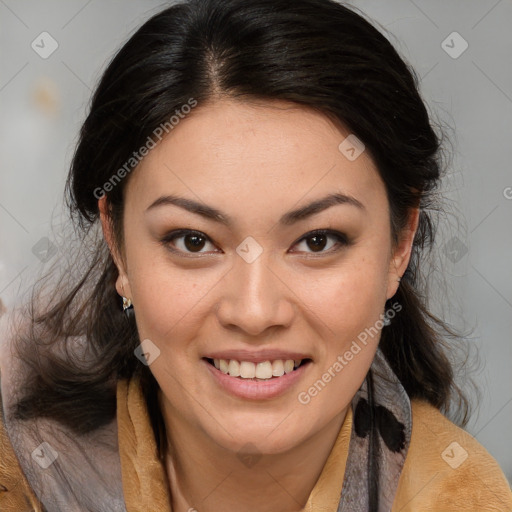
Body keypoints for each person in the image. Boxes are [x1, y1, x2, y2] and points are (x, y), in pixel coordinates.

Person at [0, 0, 511, 510]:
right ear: (118, 245)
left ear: (399, 245)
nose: (254, 312)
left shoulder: (461, 498)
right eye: (193, 241)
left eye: (317, 241)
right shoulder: (17, 467)